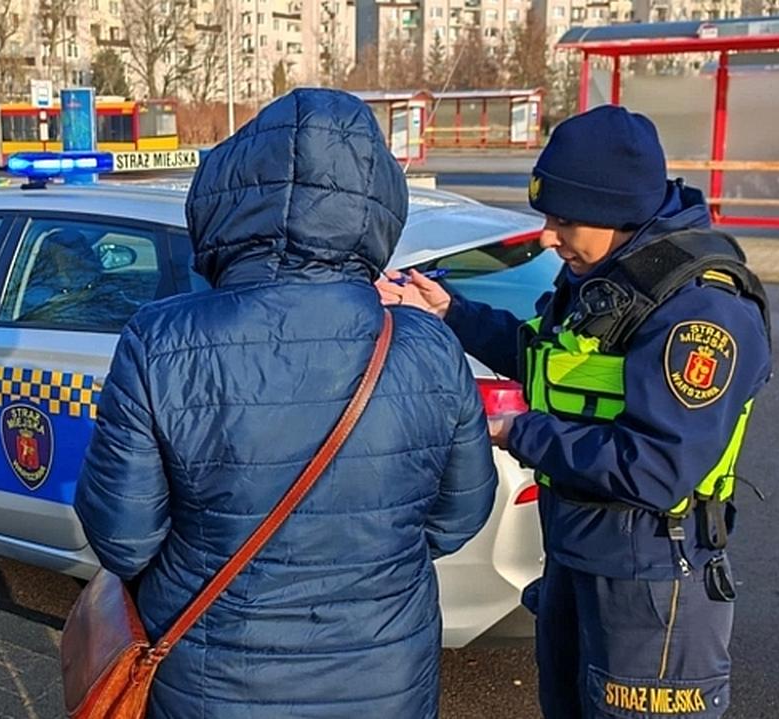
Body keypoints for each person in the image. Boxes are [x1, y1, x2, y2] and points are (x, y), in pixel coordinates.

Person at [73, 88, 499, 718]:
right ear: (377, 203)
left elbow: (124, 539)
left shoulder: (160, 341)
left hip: (212, 681)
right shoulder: (426, 346)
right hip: (383, 678)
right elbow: (459, 517)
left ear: (226, 199)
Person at [378, 105, 771, 718]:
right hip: (576, 555)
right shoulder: (609, 276)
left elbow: (658, 467)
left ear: (619, 212)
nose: (546, 237)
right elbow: (553, 365)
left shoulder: (698, 315)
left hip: (649, 579)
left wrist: (517, 431)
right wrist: (452, 314)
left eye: (564, 221)